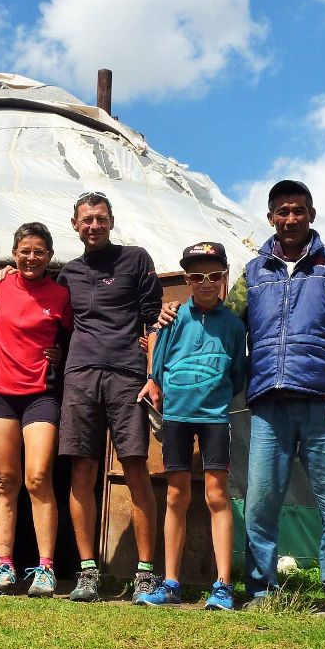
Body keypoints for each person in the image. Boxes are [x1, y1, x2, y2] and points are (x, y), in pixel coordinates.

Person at [161, 180, 325, 616]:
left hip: (319, 401)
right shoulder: (254, 274)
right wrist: (176, 311)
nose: (290, 219)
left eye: (298, 210)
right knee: (260, 502)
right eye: (282, 212)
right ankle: (260, 590)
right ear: (270, 217)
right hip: (268, 400)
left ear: (311, 214)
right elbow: (219, 318)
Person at [58, 191, 163, 603]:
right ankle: (87, 571)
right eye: (86, 219)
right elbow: (42, 307)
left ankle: (145, 572)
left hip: (127, 374)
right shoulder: (68, 273)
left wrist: (153, 371)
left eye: (100, 218)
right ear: (75, 225)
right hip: (80, 375)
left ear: (112, 220)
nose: (93, 225)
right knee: (81, 470)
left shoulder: (135, 259)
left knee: (136, 468)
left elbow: (155, 317)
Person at [135, 242, 246, 609]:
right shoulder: (172, 317)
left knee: (217, 495)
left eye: (214, 276)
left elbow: (239, 373)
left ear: (224, 277)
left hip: (214, 416)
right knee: (175, 495)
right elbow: (158, 361)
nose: (206, 283)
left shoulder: (233, 324)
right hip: (177, 416)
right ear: (186, 279)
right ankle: (170, 583)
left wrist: (216, 395)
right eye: (197, 276)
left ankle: (223, 585)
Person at [0, 223, 72, 598]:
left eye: (39, 251)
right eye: (24, 251)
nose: (31, 258)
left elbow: (75, 335)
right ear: (14, 253)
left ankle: (46, 568)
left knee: (37, 478)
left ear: (49, 256)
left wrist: (63, 355)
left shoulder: (61, 295)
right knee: (5, 481)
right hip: (2, 393)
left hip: (41, 394)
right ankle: (4, 566)